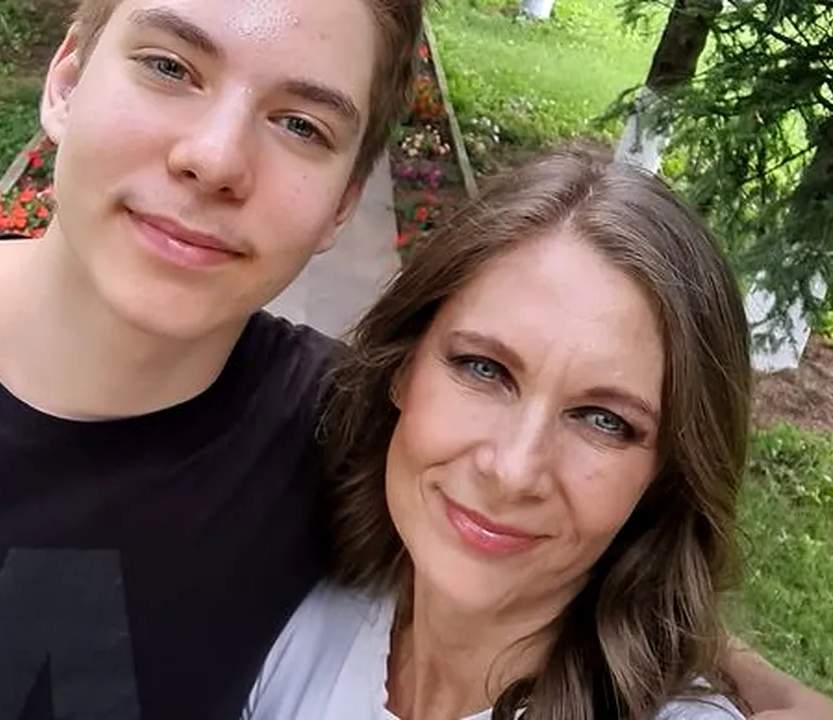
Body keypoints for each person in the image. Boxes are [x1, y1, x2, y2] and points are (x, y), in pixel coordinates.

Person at [0, 1, 833, 719]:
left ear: (344, 201)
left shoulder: (333, 429)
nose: (213, 157)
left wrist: (752, 687)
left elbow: (549, 534)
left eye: (301, 123)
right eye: (169, 65)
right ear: (66, 76)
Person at [242, 146, 793, 719]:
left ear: (665, 477)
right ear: (402, 367)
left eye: (604, 420)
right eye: (484, 369)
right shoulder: (296, 607)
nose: (512, 470)